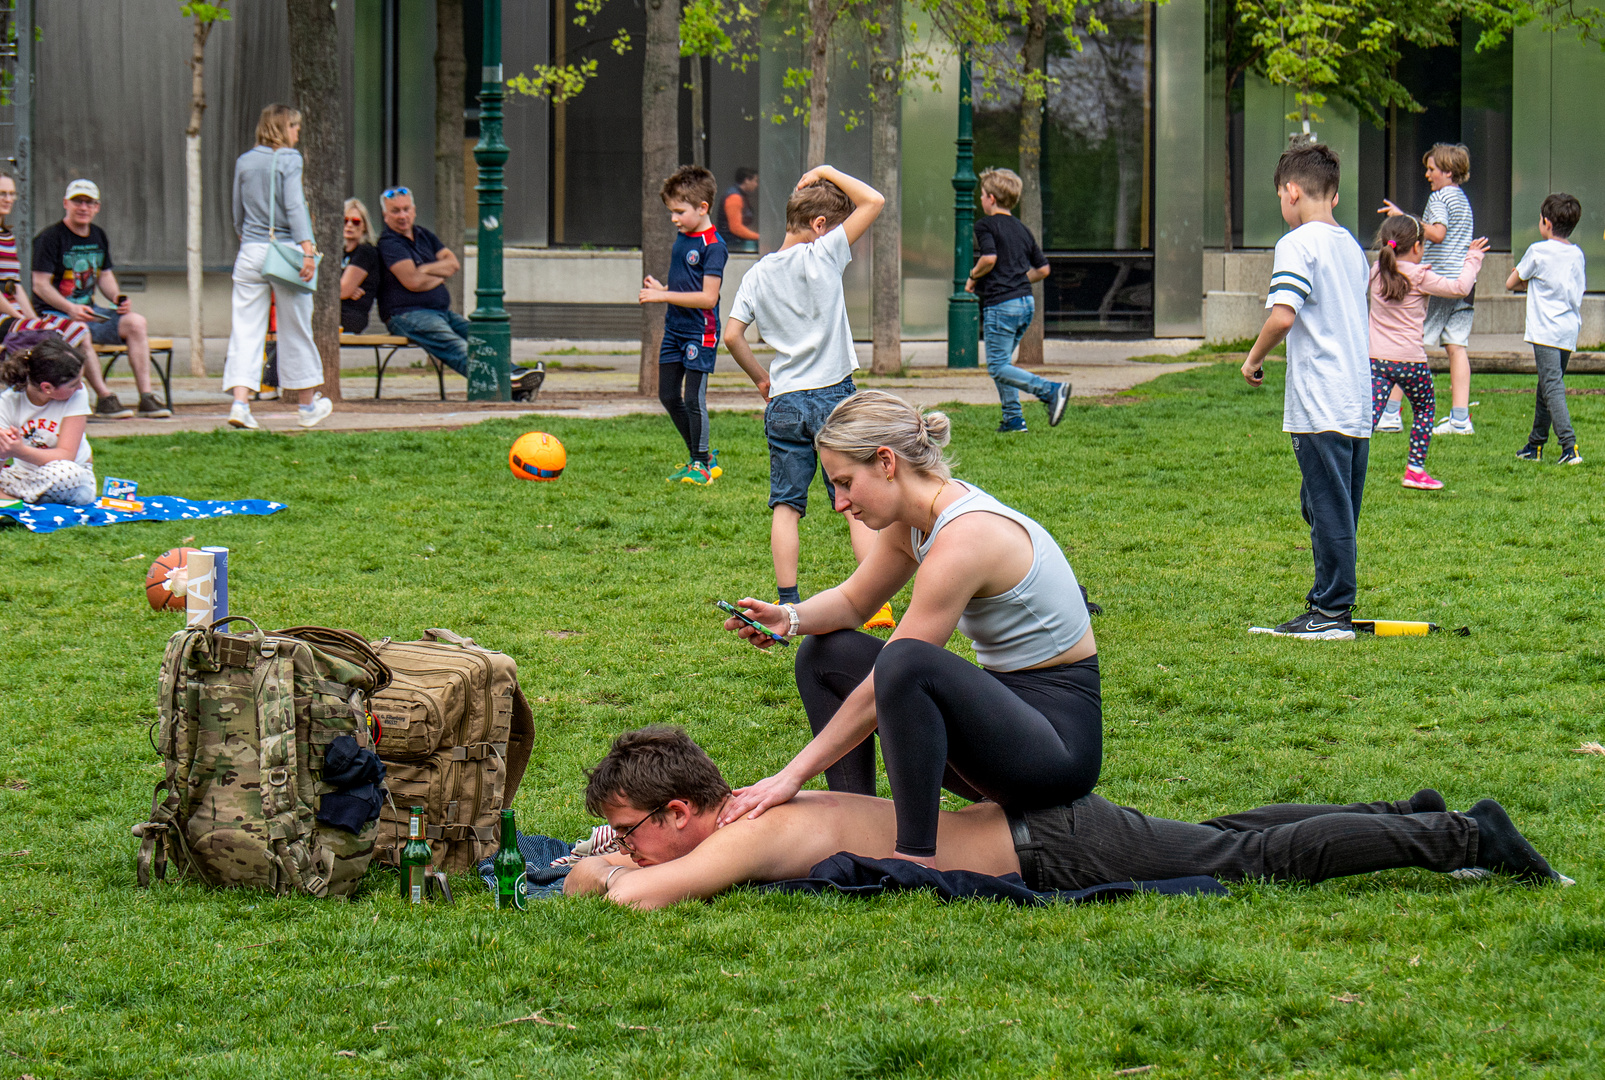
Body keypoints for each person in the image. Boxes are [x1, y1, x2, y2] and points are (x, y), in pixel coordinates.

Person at [563, 726, 1569, 910]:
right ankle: (1407, 813)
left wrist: (598, 867)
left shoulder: (750, 833)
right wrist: (615, 853)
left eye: (634, 825)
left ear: (682, 810)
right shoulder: (749, 811)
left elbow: (629, 898)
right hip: (1042, 828)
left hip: (1052, 850)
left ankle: (1462, 837)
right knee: (1224, 830)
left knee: (1250, 860)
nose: (628, 842)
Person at [714, 390, 1099, 863]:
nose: (839, 503)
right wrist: (788, 618)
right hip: (1007, 720)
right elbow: (855, 602)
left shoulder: (966, 538)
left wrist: (791, 775)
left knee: (906, 661)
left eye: (845, 482)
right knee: (824, 654)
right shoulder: (916, 521)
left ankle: (915, 857)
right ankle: (849, 817)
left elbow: (892, 678)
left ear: (886, 462)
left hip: (1055, 754)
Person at [724, 166, 896, 627]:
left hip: (785, 400)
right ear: (821, 226)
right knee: (855, 502)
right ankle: (877, 599)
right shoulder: (823, 254)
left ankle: (787, 600)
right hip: (834, 396)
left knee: (786, 504)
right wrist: (824, 170)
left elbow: (732, 336)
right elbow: (874, 201)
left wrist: (762, 378)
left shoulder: (757, 275)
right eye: (836, 227)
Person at [1241, 143, 1371, 640]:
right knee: (1324, 505)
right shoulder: (1351, 248)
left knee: (1327, 506)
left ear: (1291, 191)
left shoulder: (1297, 243)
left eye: (1279, 194)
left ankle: (1333, 612)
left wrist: (1253, 359)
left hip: (1321, 400)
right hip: (1356, 400)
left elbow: (1282, 315)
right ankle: (1325, 603)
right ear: (1334, 197)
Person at [219, 105, 333, 431]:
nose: (298, 133)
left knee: (245, 329)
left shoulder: (244, 161)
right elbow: (295, 204)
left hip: (250, 250)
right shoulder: (289, 159)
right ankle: (307, 405)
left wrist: (247, 236)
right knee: (296, 328)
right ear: (284, 128)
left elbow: (236, 212)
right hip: (284, 252)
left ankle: (240, 403)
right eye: (295, 127)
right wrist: (308, 250)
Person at [1367, 214, 1488, 491]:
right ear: (1418, 247)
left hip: (1377, 361)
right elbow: (1460, 288)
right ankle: (1415, 469)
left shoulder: (1376, 271)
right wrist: (1472, 259)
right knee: (1424, 409)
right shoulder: (1420, 276)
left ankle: (1345, 462)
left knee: (1370, 417)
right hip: (1411, 363)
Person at [30, 179, 167, 420]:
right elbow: (40, 285)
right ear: (66, 204)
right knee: (81, 331)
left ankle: (147, 397)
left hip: (89, 310)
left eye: (89, 203)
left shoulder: (98, 235)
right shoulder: (50, 238)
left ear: (97, 207)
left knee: (136, 322)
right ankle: (105, 398)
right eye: (77, 202)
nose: (83, 207)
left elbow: (104, 275)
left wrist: (117, 298)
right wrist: (70, 308)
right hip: (55, 314)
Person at [639, 165, 728, 485]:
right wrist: (665, 289)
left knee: (693, 399)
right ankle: (701, 457)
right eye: (671, 212)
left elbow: (707, 298)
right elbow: (687, 285)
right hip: (674, 329)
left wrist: (663, 297)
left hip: (699, 333)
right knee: (667, 395)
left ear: (703, 208)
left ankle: (701, 464)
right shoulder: (682, 238)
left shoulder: (713, 246)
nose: (674, 218)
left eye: (679, 211)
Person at [1379, 144, 1476, 437]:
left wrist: (1405, 219)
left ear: (1447, 172)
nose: (1427, 174)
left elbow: (1437, 232)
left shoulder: (1438, 198)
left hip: (1438, 283)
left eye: (1432, 169)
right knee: (1456, 347)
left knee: (1408, 344)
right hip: (1463, 284)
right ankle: (1460, 418)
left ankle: (1391, 414)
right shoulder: (1462, 199)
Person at [966, 167, 1067, 434]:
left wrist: (972, 276)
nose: (981, 200)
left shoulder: (985, 225)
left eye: (983, 195)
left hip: (1001, 305)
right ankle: (1013, 419)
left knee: (997, 366)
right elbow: (1043, 269)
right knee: (1004, 365)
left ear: (991, 198)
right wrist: (1019, 280)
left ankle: (1051, 391)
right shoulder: (1022, 229)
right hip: (1025, 303)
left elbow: (989, 259)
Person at [1508, 193, 1586, 466]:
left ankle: (1569, 446)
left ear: (1546, 223)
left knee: (1552, 385)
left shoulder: (1538, 251)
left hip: (1545, 331)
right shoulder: (1577, 254)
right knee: (1547, 384)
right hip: (1568, 329)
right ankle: (1536, 444)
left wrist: (1534, 284)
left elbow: (1511, 282)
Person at [0, 336, 96, 505]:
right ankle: (23, 498)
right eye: (74, 383)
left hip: (68, 477)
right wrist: (4, 452)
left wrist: (18, 450)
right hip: (21, 475)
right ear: (47, 388)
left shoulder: (78, 395)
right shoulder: (8, 401)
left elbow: (66, 455)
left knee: (67, 474)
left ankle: (12, 499)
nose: (80, 386)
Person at [339, 197, 381, 336]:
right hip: (335, 310)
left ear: (364, 226)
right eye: (345, 220)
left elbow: (343, 290)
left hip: (351, 315)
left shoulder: (365, 251)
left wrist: (343, 288)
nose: (349, 225)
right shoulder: (338, 251)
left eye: (356, 221)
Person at [718, 167, 760, 254]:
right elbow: (736, 228)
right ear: (747, 180)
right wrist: (758, 237)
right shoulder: (734, 197)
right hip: (733, 245)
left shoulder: (741, 196)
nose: (756, 184)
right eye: (755, 181)